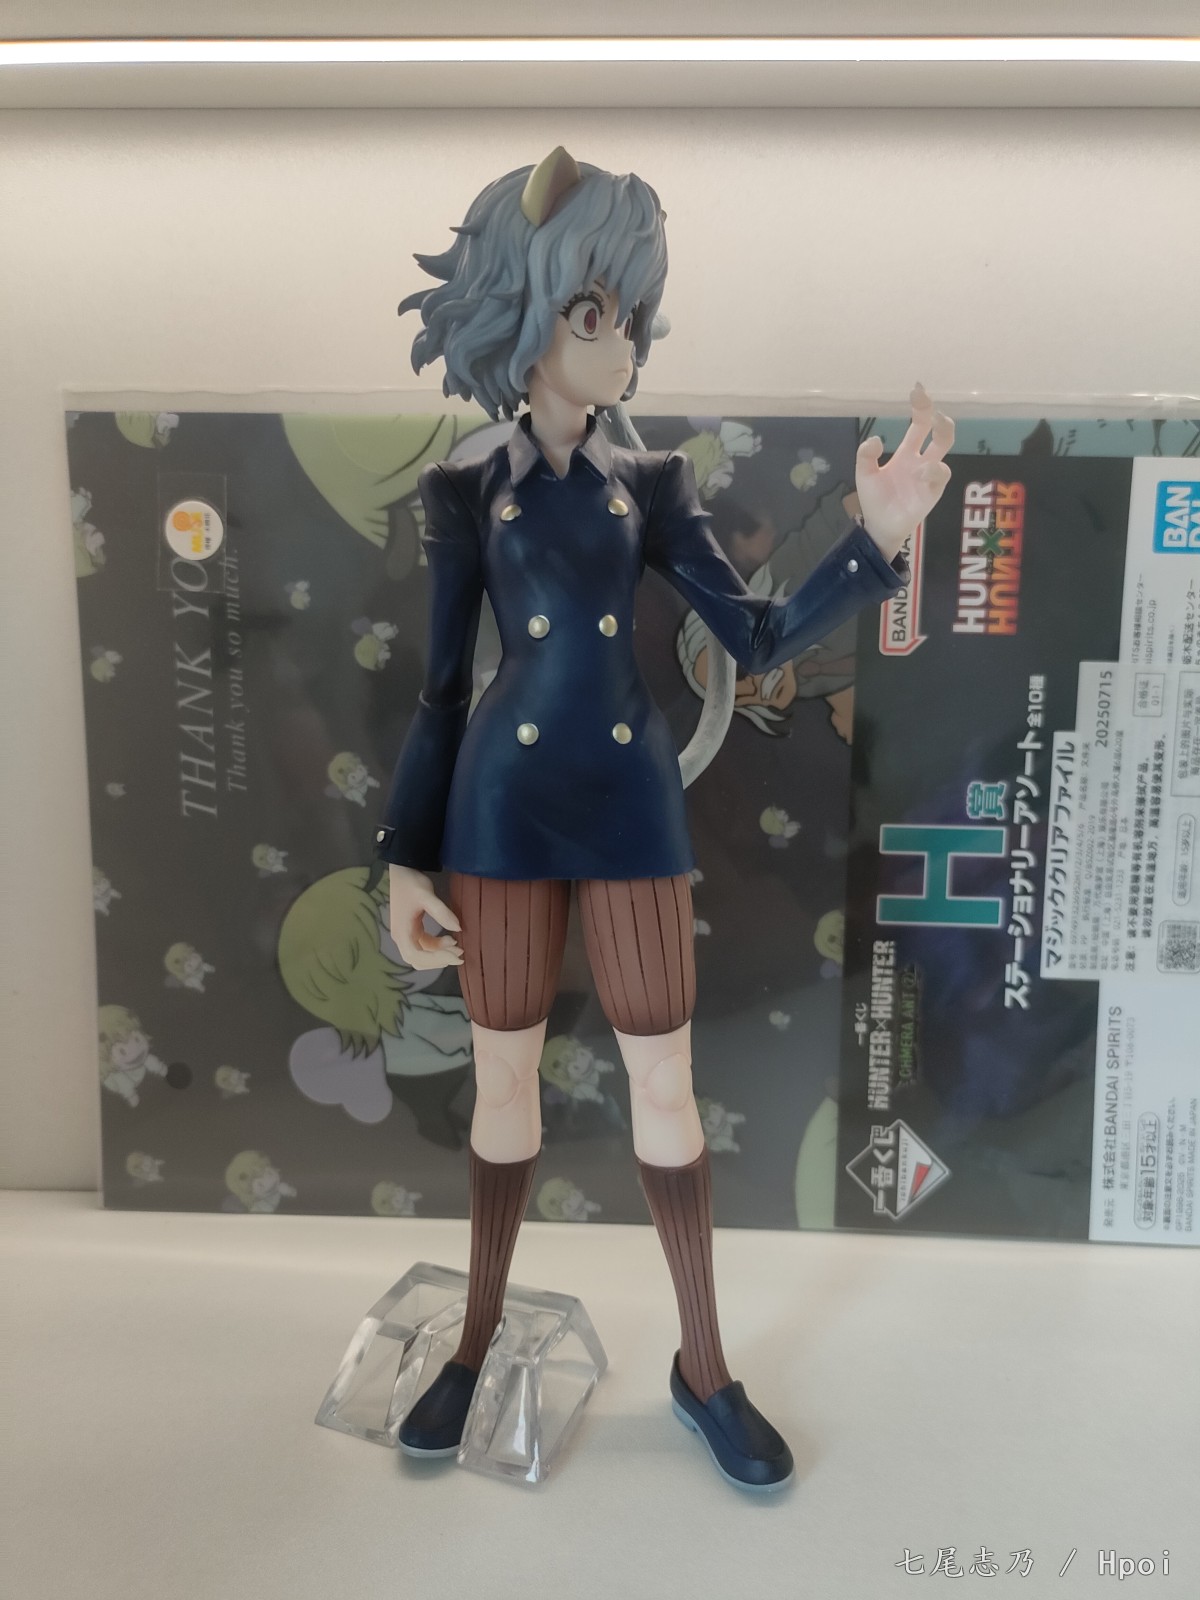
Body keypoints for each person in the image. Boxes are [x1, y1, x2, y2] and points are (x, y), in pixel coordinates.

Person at [374, 145, 953, 1491]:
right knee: (501, 1080)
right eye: (594, 310)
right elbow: (441, 687)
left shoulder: (655, 481)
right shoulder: (463, 486)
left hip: (631, 806)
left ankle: (705, 1367)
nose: (622, 338)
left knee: (666, 1084)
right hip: (501, 810)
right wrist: (402, 860)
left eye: (630, 310)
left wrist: (872, 538)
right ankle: (473, 1342)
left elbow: (755, 639)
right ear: (526, 309)